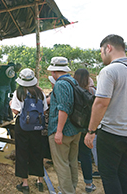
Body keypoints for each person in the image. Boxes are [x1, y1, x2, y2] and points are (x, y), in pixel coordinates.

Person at [84, 34, 127, 194]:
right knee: (123, 171)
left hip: (112, 133)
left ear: (108, 48)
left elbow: (101, 103)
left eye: (101, 52)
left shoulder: (109, 71)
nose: (101, 55)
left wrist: (91, 131)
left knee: (109, 175)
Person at [10, 68, 48, 193]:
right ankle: (40, 181)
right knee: (37, 152)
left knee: (22, 153)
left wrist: (11, 104)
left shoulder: (19, 92)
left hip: (22, 127)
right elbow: (44, 109)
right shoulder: (39, 93)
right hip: (36, 127)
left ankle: (25, 184)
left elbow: (16, 110)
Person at [47, 57, 80, 194]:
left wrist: (59, 131)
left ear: (54, 72)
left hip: (62, 130)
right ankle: (71, 188)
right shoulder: (73, 81)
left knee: (61, 165)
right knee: (72, 162)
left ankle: (67, 191)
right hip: (75, 129)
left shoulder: (60, 84)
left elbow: (63, 108)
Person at [73, 68, 97, 193]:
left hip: (73, 127)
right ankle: (88, 184)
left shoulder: (72, 90)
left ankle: (70, 184)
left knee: (70, 156)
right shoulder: (92, 91)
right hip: (88, 128)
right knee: (86, 155)